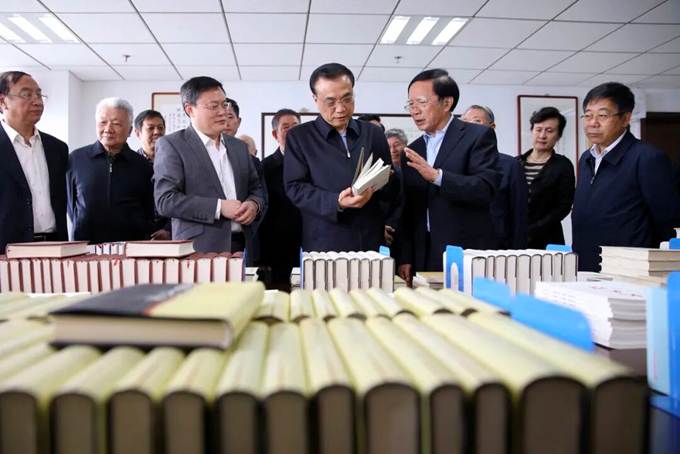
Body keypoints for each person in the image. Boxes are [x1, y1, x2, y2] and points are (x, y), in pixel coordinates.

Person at [398, 69, 500, 283]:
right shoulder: (413, 149)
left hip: (463, 250)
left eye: (421, 102)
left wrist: (437, 177)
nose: (414, 111)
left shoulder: (477, 136)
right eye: (411, 104)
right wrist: (405, 256)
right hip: (423, 253)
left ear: (446, 103)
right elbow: (408, 209)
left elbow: (485, 188)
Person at [284, 62, 398, 252]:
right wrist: (336, 201)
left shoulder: (373, 133)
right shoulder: (300, 137)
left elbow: (389, 185)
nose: (341, 108)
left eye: (347, 99)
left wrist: (385, 182)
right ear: (315, 99)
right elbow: (295, 188)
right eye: (331, 102)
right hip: (324, 239)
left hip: (370, 237)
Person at [573, 82, 680, 271]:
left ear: (625, 118)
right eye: (588, 115)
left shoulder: (647, 158)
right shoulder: (586, 158)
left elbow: (667, 222)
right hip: (586, 264)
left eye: (602, 115)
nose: (593, 123)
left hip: (627, 269)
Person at [154, 76, 265, 253]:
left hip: (243, 246)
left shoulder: (238, 147)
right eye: (214, 106)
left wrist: (254, 204)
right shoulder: (172, 145)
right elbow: (165, 200)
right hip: (199, 248)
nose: (222, 112)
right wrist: (219, 207)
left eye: (224, 104)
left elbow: (256, 188)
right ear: (190, 110)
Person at [67, 98, 155, 243]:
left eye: (116, 124)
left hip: (131, 246)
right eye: (103, 122)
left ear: (130, 130)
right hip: (85, 245)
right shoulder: (76, 159)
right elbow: (71, 204)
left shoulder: (142, 165)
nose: (108, 129)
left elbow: (148, 209)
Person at [0, 71, 68, 253]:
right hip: (7, 249)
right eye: (27, 95)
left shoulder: (58, 148)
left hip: (55, 247)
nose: (37, 101)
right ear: (3, 101)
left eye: (39, 95)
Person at [461, 104, 528, 249]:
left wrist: (517, 252)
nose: (470, 126)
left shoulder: (510, 165)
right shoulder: (455, 165)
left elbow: (519, 215)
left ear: (492, 127)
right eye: (465, 122)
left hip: (498, 247)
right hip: (462, 244)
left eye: (477, 121)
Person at [517, 107, 575, 249]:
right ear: (532, 131)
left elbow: (563, 206)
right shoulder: (515, 163)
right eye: (538, 129)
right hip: (514, 237)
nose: (542, 135)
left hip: (547, 238)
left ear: (558, 135)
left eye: (549, 131)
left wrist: (533, 229)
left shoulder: (563, 165)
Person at [258, 108, 302, 291]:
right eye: (286, 127)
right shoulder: (265, 167)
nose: (292, 131)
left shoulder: (312, 163)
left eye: (296, 126)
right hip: (277, 246)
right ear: (275, 134)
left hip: (308, 242)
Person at [133, 109, 171, 240]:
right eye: (150, 128)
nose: (157, 132)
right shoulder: (131, 163)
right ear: (138, 133)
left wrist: (169, 229)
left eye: (160, 128)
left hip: (171, 232)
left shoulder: (174, 162)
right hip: (138, 234)